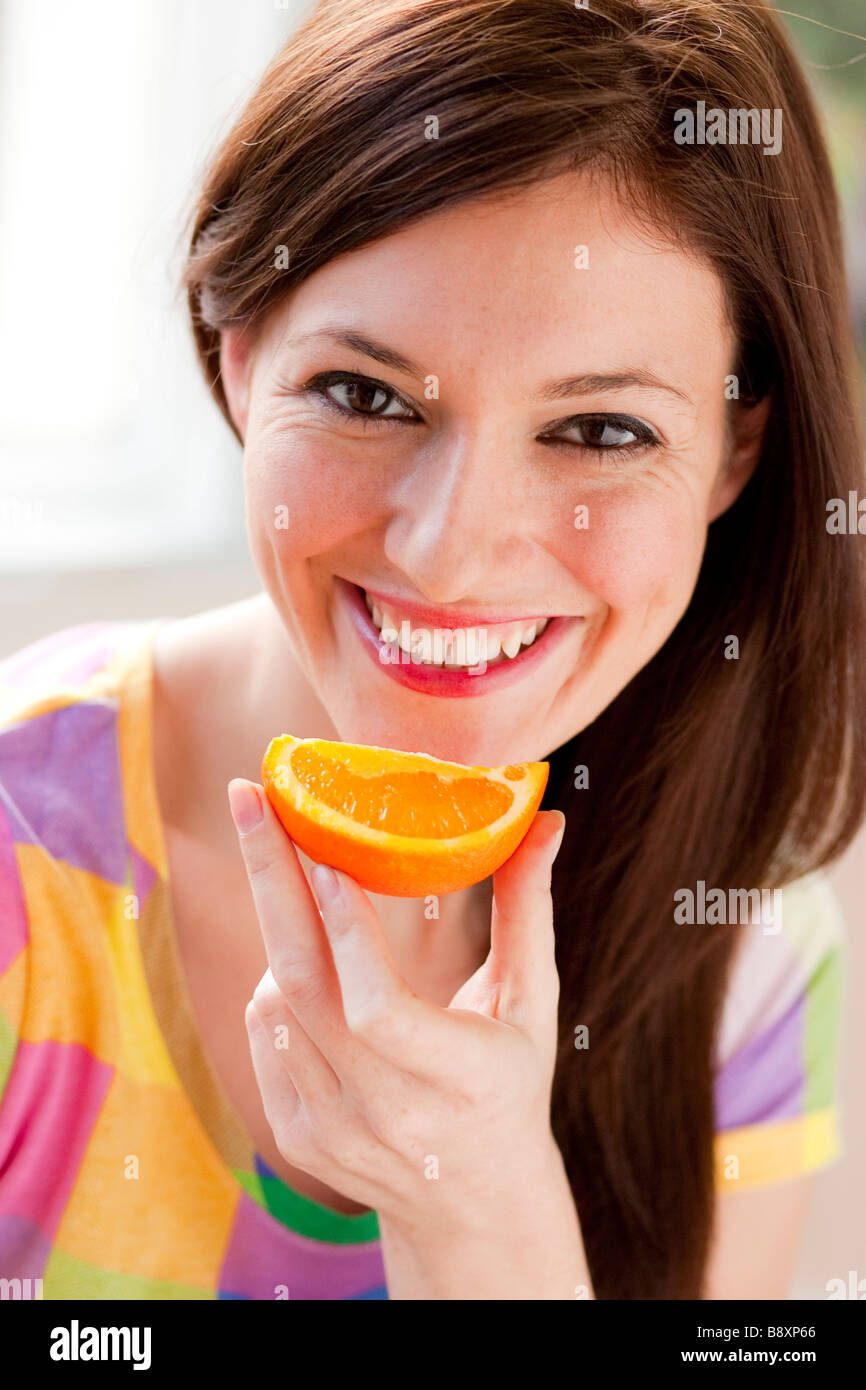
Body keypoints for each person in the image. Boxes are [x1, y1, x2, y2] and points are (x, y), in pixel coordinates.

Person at [1, 0, 864, 1300]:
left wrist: (487, 1219)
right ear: (239, 363)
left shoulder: (744, 953)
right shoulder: (22, 860)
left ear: (735, 454)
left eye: (601, 430)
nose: (451, 554)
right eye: (364, 394)